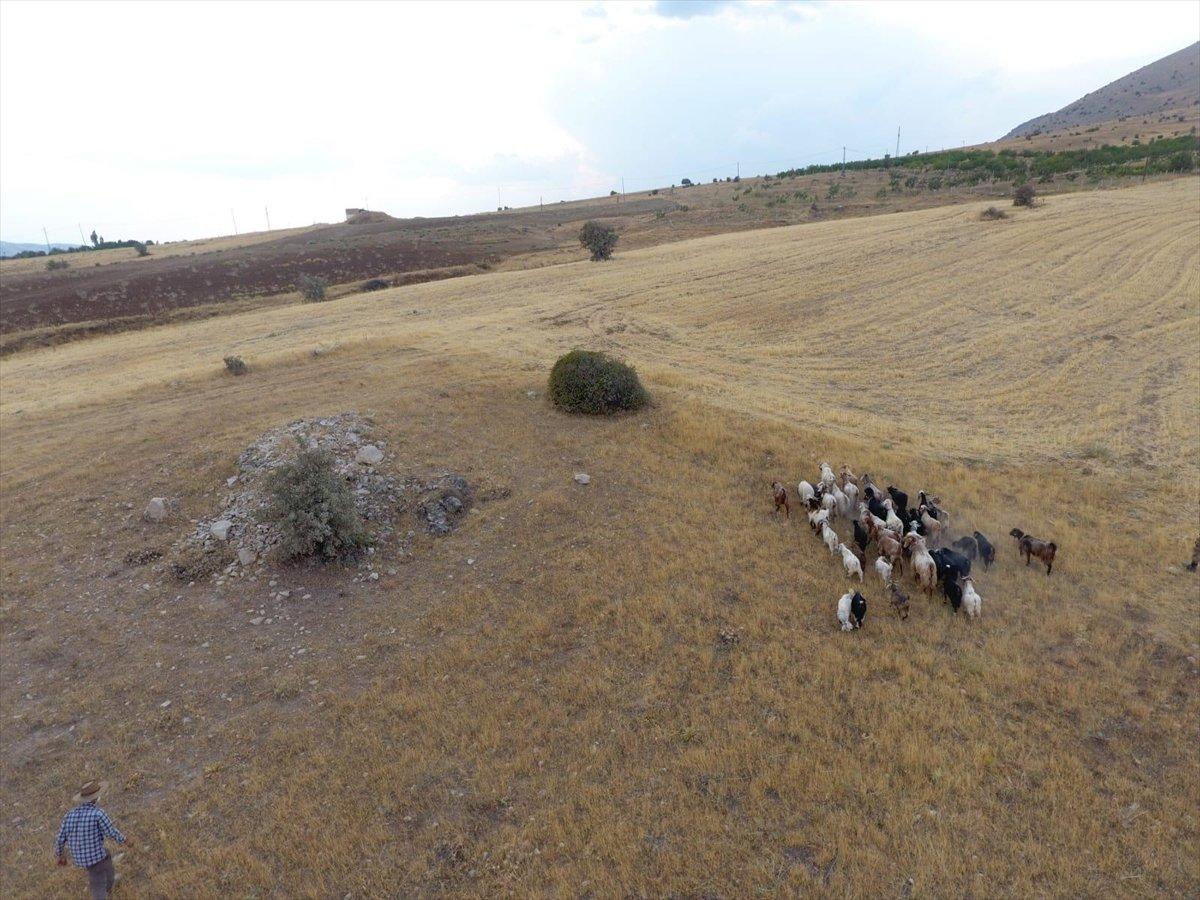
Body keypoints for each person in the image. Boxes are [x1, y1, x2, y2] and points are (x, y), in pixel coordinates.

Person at [54, 780, 127, 899]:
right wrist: (125, 840)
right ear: (96, 798)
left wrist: (60, 855)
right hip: (94, 858)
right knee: (97, 882)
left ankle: (110, 882)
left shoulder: (70, 815)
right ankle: (105, 888)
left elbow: (60, 838)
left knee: (107, 855)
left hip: (79, 857)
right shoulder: (98, 813)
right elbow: (111, 832)